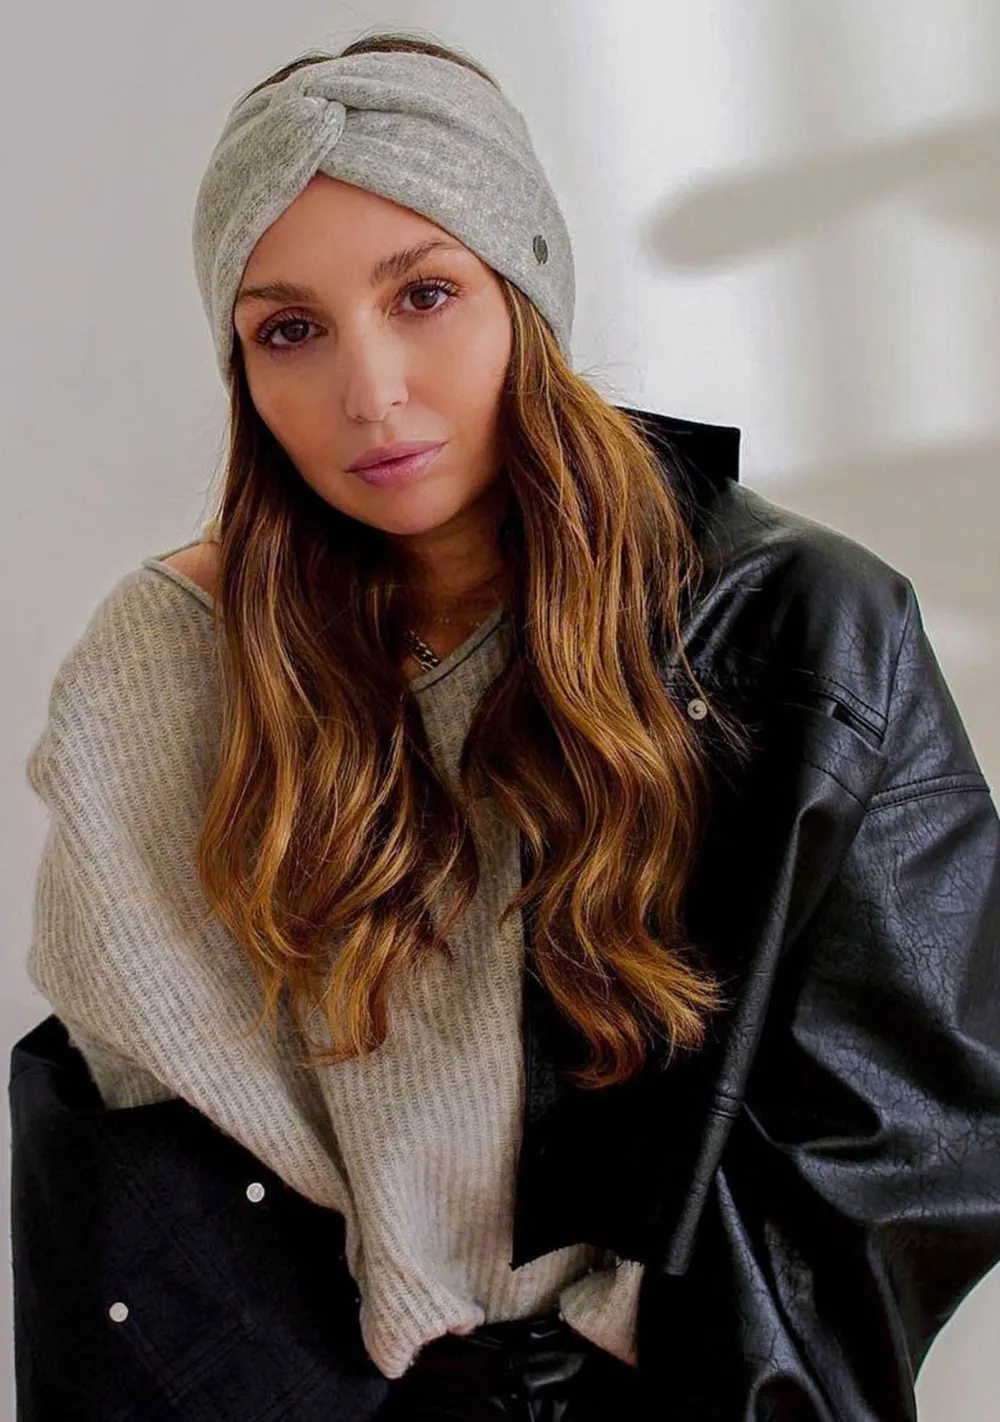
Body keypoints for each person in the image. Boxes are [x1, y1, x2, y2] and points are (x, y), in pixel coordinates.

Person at [10, 29, 1000, 1422]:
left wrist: (634, 1355)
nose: (371, 392)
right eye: (291, 330)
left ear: (526, 288)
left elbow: (925, 1123)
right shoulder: (168, 665)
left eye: (424, 294)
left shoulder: (792, 629)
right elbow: (142, 1109)